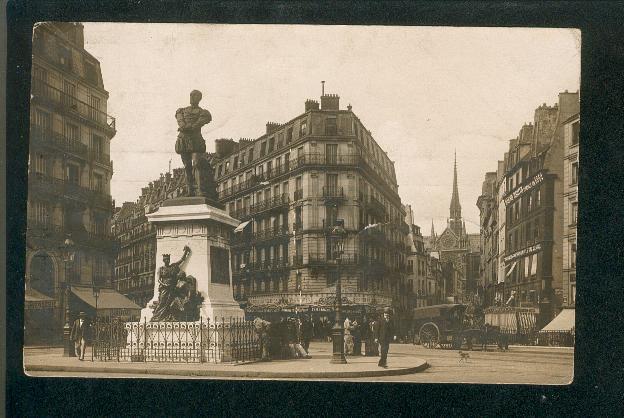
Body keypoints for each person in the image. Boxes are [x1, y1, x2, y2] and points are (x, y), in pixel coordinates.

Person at [175, 90, 214, 197]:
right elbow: (180, 120)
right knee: (187, 166)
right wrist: (185, 126)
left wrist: (189, 127)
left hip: (196, 139)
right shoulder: (181, 110)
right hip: (183, 139)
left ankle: (200, 190)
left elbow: (199, 123)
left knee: (197, 163)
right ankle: (190, 190)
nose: (192, 97)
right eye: (191, 95)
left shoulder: (203, 112)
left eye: (195, 96)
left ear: (199, 98)